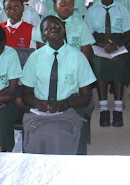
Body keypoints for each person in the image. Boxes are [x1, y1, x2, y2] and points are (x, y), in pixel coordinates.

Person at [21, 16, 96, 155]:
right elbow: (26, 94)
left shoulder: (78, 57)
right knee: (37, 136)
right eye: (48, 29)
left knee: (59, 137)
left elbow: (86, 97)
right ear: (43, 36)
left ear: (64, 31)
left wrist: (65, 103)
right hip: (41, 109)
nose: (53, 30)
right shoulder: (35, 58)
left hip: (69, 107)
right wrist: (37, 103)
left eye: (57, 27)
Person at [84, 0, 130, 128]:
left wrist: (116, 45)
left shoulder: (121, 9)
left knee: (120, 62)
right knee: (99, 64)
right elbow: (88, 34)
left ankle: (118, 109)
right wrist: (102, 45)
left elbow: (128, 34)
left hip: (117, 44)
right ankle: (104, 109)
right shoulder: (92, 10)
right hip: (99, 44)